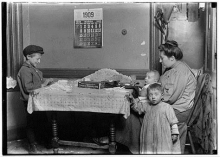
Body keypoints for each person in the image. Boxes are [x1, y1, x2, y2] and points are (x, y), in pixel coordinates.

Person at [158, 40, 197, 153]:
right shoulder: (174, 68)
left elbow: (170, 98)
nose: (160, 61)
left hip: (180, 111)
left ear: (172, 58)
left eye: (162, 58)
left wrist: (150, 100)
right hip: (177, 108)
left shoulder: (179, 72)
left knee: (149, 113)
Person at [17, 45, 54, 154]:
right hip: (30, 102)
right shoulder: (25, 70)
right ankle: (32, 145)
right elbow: (28, 88)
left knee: (42, 121)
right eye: (37, 59)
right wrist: (44, 84)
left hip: (37, 101)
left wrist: (45, 81)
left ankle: (46, 142)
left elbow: (36, 83)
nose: (39, 61)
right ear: (28, 56)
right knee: (31, 123)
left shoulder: (33, 69)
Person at [130, 83, 181, 154]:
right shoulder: (146, 106)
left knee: (162, 150)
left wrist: (174, 133)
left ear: (162, 95)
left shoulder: (166, 107)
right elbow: (137, 109)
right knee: (149, 149)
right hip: (149, 134)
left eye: (156, 94)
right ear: (148, 96)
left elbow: (173, 122)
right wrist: (132, 101)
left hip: (162, 135)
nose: (153, 97)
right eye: (150, 94)